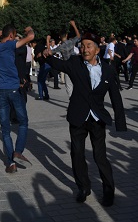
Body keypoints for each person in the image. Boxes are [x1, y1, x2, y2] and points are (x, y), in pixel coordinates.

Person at [43, 33, 127, 206]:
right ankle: (83, 188)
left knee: (100, 156)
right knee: (77, 154)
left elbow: (115, 98)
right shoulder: (75, 63)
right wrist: (45, 55)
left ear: (97, 49)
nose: (84, 49)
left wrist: (120, 124)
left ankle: (108, 191)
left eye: (89, 46)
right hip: (77, 117)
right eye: (82, 46)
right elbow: (58, 63)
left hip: (97, 119)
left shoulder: (108, 70)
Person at [0, 25, 35, 173]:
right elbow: (31, 37)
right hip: (13, 89)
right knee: (23, 122)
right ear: (11, 35)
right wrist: (28, 29)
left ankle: (11, 163)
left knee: (5, 129)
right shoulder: (11, 45)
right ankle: (18, 151)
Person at [48, 20, 81, 97]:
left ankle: (72, 101)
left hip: (67, 64)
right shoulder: (71, 42)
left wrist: (47, 41)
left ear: (60, 37)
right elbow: (78, 36)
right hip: (75, 63)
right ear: (66, 35)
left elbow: (49, 52)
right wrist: (74, 25)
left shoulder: (60, 47)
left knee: (69, 85)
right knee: (76, 82)